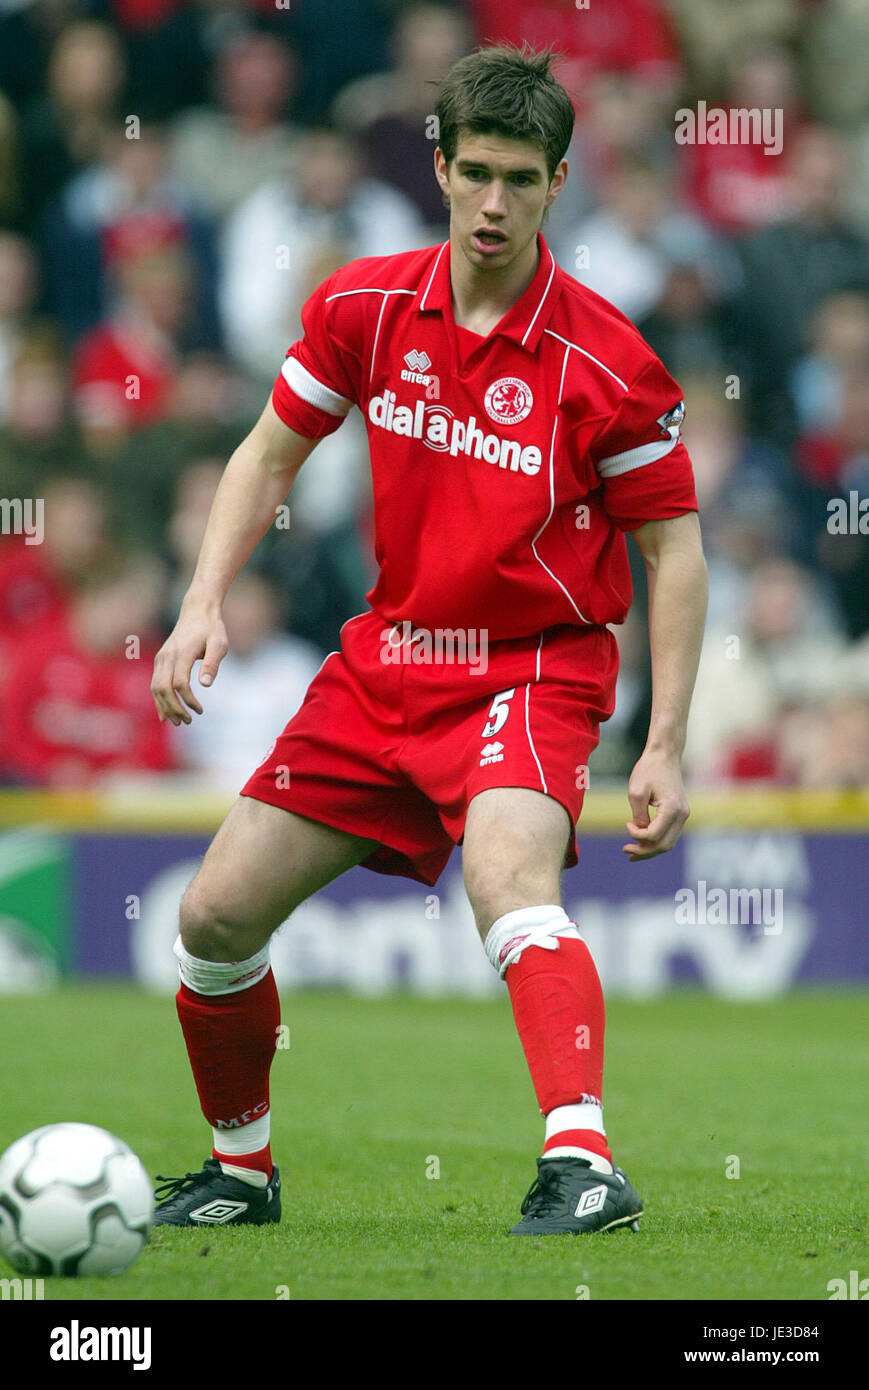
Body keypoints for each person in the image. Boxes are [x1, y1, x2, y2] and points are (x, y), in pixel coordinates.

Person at [149, 44, 707, 1237]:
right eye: (476, 175)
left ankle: (583, 1164)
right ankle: (238, 1175)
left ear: (558, 182)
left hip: (533, 666)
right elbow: (265, 450)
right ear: (439, 167)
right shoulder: (363, 304)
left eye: (522, 178)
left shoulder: (603, 362)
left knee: (506, 877)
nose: (495, 204)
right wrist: (201, 600)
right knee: (211, 921)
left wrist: (663, 741)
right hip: (388, 660)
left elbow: (674, 551)